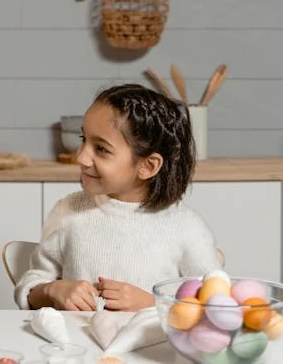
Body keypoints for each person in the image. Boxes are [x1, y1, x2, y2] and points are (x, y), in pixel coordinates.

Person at [15, 83, 221, 312]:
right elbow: (31, 287)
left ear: (148, 165)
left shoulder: (187, 228)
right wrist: (52, 291)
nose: (81, 157)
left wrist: (153, 304)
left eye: (101, 149)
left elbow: (214, 307)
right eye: (83, 139)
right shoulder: (68, 211)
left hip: (149, 348)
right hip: (75, 346)